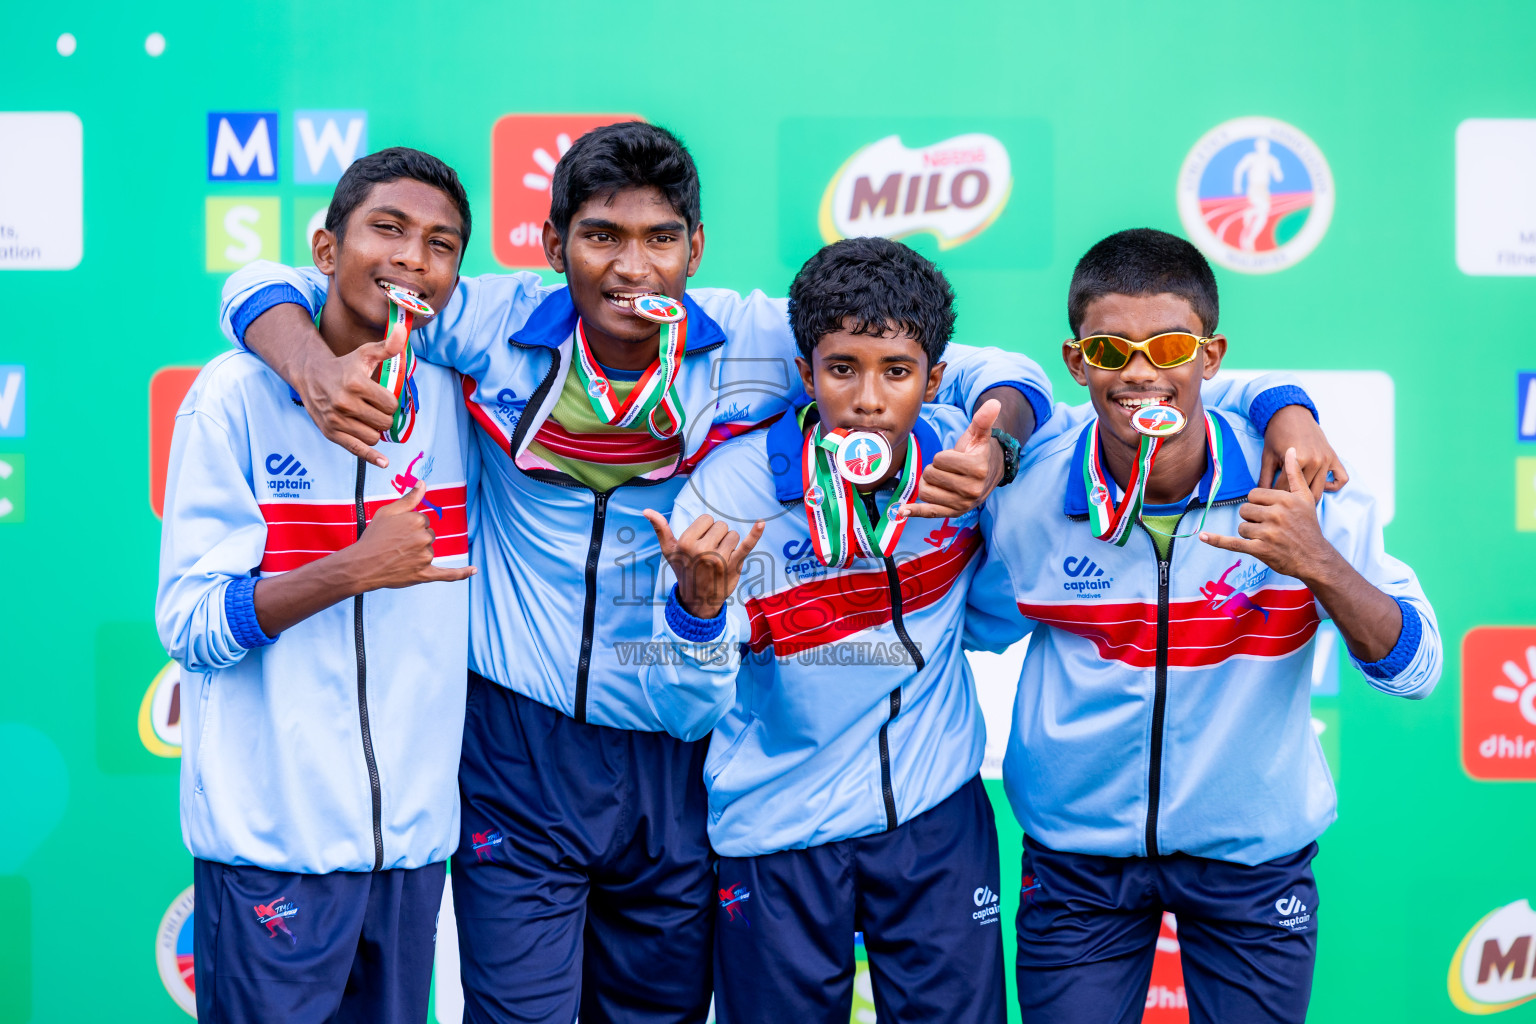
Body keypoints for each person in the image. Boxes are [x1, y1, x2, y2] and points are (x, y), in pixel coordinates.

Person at [217, 122, 1057, 1023]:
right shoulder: (490, 320)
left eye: (660, 239)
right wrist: (310, 369)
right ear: (553, 246)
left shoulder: (757, 337)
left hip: (676, 747)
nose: (632, 268)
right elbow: (272, 284)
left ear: (696, 248)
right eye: (601, 236)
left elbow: (987, 369)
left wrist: (998, 442)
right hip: (518, 744)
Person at [637, 236, 1337, 1024]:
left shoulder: (966, 461)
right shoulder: (733, 496)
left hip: (937, 818)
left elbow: (1144, 387)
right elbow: (681, 711)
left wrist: (1285, 404)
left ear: (935, 381)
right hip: (776, 830)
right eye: (841, 370)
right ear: (806, 374)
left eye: (896, 372)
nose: (868, 400)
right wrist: (697, 616)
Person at [967, 228, 1441, 1024]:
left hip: (1254, 861)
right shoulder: (1030, 490)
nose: (1139, 372)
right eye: (1110, 350)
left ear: (1211, 356)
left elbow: (1416, 669)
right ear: (1077, 362)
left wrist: (1317, 561)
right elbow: (970, 626)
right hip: (1079, 863)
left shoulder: (1299, 482)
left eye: (1169, 347)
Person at [157, 147, 478, 1023]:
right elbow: (190, 624)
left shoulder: (460, 398)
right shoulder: (233, 396)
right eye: (388, 229)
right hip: (272, 849)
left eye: (441, 244)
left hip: (411, 854)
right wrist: (352, 570)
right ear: (326, 250)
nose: (413, 257)